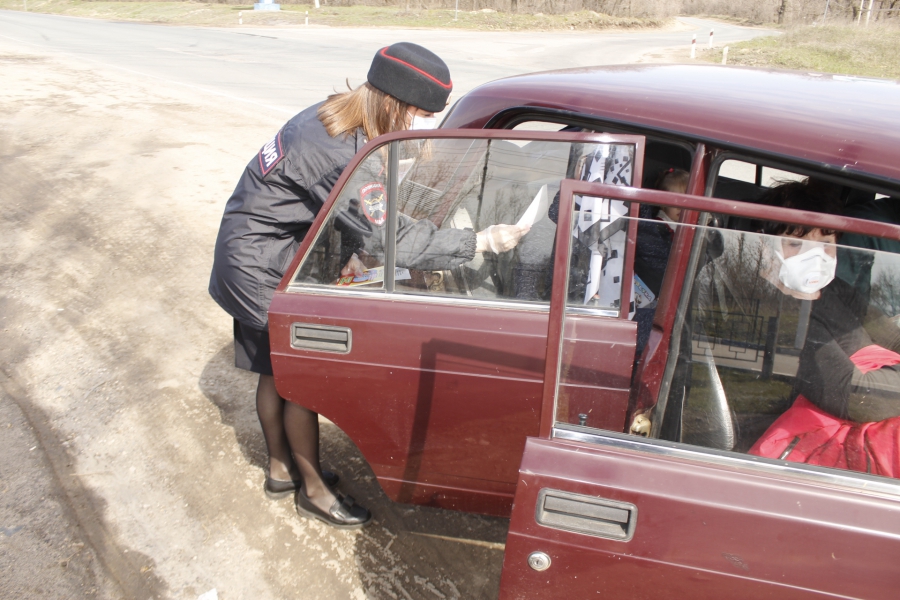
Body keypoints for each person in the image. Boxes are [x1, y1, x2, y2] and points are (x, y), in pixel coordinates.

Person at [209, 43, 528, 529]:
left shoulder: (334, 117)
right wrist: (477, 242)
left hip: (254, 251)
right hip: (263, 268)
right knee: (297, 378)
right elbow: (390, 236)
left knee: (272, 371)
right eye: (422, 114)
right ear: (395, 103)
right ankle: (314, 492)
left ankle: (280, 470)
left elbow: (334, 209)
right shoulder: (341, 152)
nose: (424, 125)